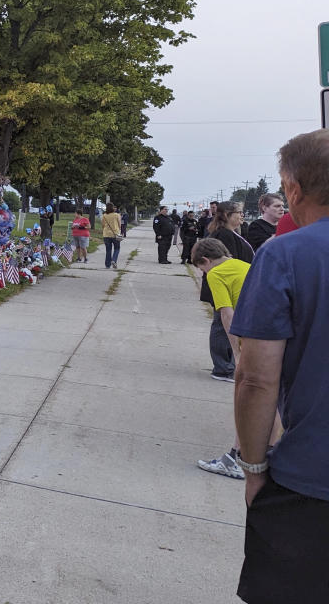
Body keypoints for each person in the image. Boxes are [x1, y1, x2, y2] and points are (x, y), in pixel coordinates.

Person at [230, 129, 329, 603]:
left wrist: (253, 468)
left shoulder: (285, 254)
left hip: (311, 483)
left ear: (293, 189)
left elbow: (255, 377)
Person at [191, 238, 253, 478]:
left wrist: (236, 352)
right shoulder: (243, 265)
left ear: (206, 261)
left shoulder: (216, 274)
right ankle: (244, 454)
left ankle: (237, 458)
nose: (204, 273)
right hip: (271, 335)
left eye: (201, 269)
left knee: (245, 401)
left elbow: (227, 314)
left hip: (250, 339)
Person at [199, 201, 254, 382]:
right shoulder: (224, 235)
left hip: (229, 287)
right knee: (222, 325)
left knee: (226, 325)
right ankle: (222, 368)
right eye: (238, 212)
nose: (241, 216)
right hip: (224, 287)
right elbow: (225, 264)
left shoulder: (232, 233)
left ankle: (227, 364)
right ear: (227, 215)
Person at [101, 203, 122, 268]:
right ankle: (114, 260)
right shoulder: (117, 215)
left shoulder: (104, 215)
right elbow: (119, 225)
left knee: (108, 250)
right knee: (117, 248)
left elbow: (103, 225)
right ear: (113, 208)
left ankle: (107, 265)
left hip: (106, 234)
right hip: (115, 234)